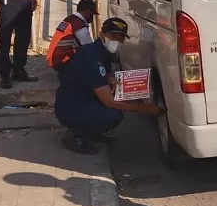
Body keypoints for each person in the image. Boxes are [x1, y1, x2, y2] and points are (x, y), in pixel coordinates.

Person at [54, 18, 161, 154]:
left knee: (113, 104)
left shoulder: (100, 51)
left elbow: (104, 74)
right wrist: (144, 108)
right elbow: (110, 102)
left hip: (81, 98)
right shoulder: (92, 58)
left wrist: (110, 78)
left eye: (121, 37)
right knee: (112, 114)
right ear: (102, 35)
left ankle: (93, 133)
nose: (117, 41)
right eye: (113, 36)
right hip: (69, 108)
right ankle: (75, 135)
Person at [46, 0, 99, 71]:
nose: (91, 17)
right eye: (91, 13)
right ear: (87, 11)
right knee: (92, 52)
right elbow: (88, 46)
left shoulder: (70, 19)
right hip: (62, 62)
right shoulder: (78, 24)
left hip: (54, 60)